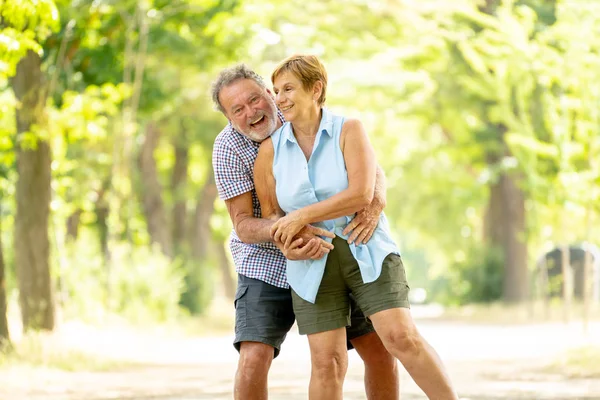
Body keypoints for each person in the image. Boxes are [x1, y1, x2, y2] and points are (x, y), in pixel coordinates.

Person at [254, 54, 459, 400]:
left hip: (367, 250)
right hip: (310, 264)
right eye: (276, 90)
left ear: (316, 89)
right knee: (327, 363)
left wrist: (302, 216)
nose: (279, 98)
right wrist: (285, 242)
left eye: (288, 88)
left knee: (400, 338)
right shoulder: (269, 151)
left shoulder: (349, 130)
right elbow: (273, 216)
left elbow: (361, 193)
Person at [211, 64, 400, 400]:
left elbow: (369, 168)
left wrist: (375, 203)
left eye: (255, 99)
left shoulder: (298, 112)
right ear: (228, 117)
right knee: (253, 358)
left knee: (380, 351)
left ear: (269, 94)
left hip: (331, 253)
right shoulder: (228, 148)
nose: (251, 112)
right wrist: (287, 234)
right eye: (237, 109)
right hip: (265, 262)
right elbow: (242, 224)